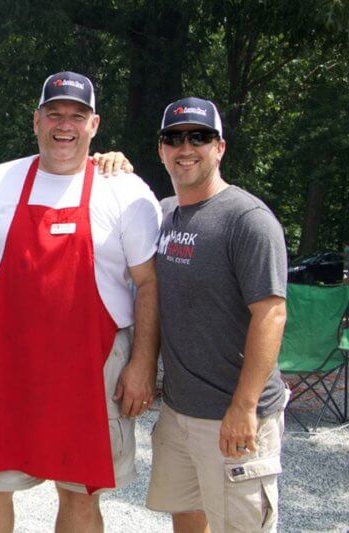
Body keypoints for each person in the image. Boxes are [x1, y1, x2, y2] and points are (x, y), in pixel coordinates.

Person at [0, 71, 161, 533]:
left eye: (77, 116)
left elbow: (149, 284)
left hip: (95, 365)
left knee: (80, 493)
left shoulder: (124, 191)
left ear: (94, 125)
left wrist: (143, 363)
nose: (65, 125)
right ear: (36, 121)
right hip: (10, 365)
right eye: (54, 114)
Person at [146, 97, 288, 532]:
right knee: (187, 521)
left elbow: (271, 314)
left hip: (234, 414)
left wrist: (245, 406)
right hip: (178, 412)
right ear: (161, 150)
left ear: (220, 147)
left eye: (199, 137)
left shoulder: (247, 219)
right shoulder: (162, 214)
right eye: (174, 138)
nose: (186, 147)